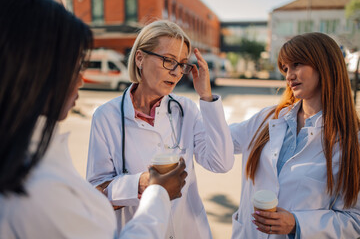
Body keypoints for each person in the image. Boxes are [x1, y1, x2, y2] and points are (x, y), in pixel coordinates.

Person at [0, 0, 187, 238]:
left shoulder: (29, 155)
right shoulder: (37, 188)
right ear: (36, 69)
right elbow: (97, 192)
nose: (81, 79)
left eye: (181, 64)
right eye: (77, 65)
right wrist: (157, 191)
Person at [86, 20, 234, 238]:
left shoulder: (186, 109)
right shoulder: (106, 116)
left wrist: (207, 97)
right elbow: (96, 193)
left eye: (182, 64)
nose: (176, 72)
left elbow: (221, 163)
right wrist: (143, 183)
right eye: (168, 60)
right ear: (140, 58)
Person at [230, 32, 360, 238]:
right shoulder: (268, 118)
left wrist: (297, 224)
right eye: (285, 68)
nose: (289, 75)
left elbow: (355, 220)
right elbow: (218, 139)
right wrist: (207, 98)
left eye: (297, 64)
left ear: (325, 65)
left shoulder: (352, 141)